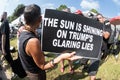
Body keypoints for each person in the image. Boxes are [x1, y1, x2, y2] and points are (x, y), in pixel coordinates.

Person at [18, 4, 81, 80]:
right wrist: (61, 57)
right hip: (36, 74)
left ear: (25, 19)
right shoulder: (33, 41)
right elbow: (43, 66)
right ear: (40, 19)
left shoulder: (23, 32)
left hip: (30, 70)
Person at [87, 13, 111, 80]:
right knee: (87, 61)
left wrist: (98, 29)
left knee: (94, 63)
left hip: (100, 48)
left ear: (103, 18)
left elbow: (106, 36)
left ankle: (92, 76)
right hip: (92, 46)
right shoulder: (94, 25)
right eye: (97, 19)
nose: (98, 19)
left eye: (100, 18)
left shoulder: (107, 25)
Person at [59, 8, 74, 74]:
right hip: (61, 41)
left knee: (69, 55)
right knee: (61, 55)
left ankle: (71, 68)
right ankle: (62, 66)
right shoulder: (60, 21)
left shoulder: (72, 21)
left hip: (69, 42)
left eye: (67, 12)